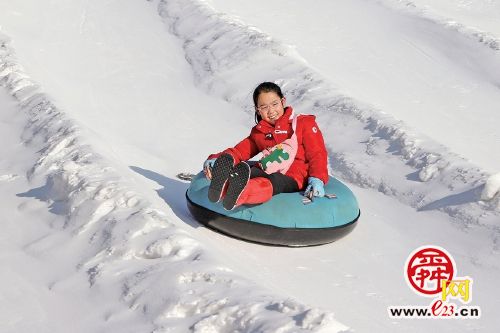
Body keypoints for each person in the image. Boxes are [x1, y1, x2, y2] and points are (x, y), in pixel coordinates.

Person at [203, 82, 328, 210]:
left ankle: (240, 194)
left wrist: (317, 179)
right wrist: (216, 158)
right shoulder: (260, 132)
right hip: (266, 168)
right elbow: (240, 151)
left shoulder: (304, 123)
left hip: (294, 177)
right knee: (249, 172)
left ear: (283, 101)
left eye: (275, 104)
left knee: (273, 181)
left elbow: (317, 154)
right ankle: (221, 187)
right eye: (264, 107)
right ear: (258, 110)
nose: (271, 111)